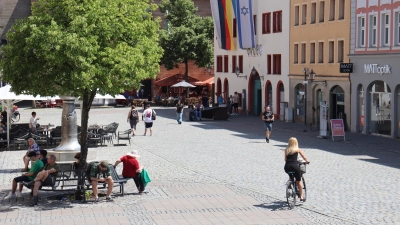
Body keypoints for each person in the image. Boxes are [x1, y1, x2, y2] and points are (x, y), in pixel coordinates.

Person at [284, 137, 310, 202]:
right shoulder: (297, 149)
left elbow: (285, 159)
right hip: (295, 166)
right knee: (299, 181)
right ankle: (301, 196)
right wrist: (307, 161)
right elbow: (304, 157)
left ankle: (290, 183)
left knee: (291, 176)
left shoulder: (286, 150)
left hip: (287, 167)